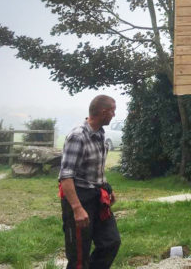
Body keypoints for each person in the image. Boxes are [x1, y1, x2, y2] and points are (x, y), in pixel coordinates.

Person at [59, 95, 121, 269]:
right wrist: (77, 209)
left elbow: (96, 168)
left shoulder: (101, 133)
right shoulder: (77, 136)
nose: (114, 115)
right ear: (103, 112)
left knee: (111, 242)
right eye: (112, 111)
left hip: (98, 197)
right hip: (80, 198)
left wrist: (108, 189)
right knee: (79, 257)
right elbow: (66, 177)